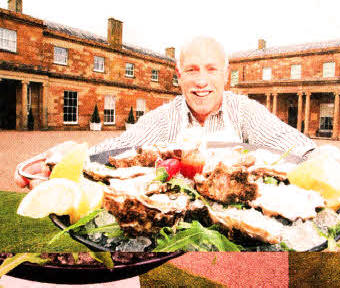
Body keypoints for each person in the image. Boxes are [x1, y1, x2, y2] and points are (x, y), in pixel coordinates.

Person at [15, 36, 318, 188]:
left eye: (211, 70)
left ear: (226, 74)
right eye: (192, 70)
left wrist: (329, 162)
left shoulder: (247, 112)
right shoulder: (164, 118)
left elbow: (292, 143)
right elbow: (114, 150)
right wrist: (57, 164)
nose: (201, 81)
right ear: (179, 74)